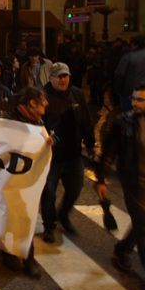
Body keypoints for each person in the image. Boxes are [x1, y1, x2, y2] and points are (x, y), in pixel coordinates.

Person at [95, 81, 145, 290]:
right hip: (136, 184)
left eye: (140, 99)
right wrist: (101, 179)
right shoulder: (124, 123)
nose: (134, 103)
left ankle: (122, 250)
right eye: (133, 98)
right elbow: (108, 152)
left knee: (143, 223)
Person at [41, 62, 95, 243]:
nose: (63, 79)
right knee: (49, 192)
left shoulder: (77, 94)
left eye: (66, 76)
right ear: (51, 78)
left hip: (73, 154)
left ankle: (63, 214)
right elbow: (39, 125)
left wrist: (89, 142)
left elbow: (86, 120)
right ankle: (49, 225)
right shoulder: (43, 96)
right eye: (59, 76)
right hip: (52, 156)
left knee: (75, 188)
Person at [4, 86, 53, 278]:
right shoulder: (12, 121)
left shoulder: (37, 121)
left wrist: (46, 144)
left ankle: (26, 255)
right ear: (32, 103)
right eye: (43, 100)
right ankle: (13, 253)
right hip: (10, 179)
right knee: (12, 216)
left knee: (27, 215)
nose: (46, 103)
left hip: (28, 179)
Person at [114, 35, 145, 111]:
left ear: (134, 44)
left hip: (129, 93)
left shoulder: (128, 57)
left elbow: (119, 75)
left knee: (129, 118)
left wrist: (117, 90)